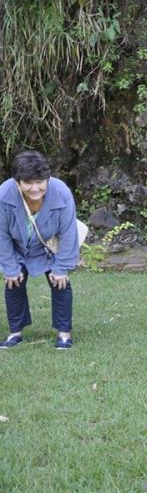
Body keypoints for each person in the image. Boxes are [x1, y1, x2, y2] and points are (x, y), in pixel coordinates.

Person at [0, 150, 80, 349]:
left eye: (40, 182)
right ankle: (15, 333)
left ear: (48, 178)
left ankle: (64, 334)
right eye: (28, 183)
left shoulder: (61, 192)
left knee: (61, 283)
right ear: (17, 182)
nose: (35, 188)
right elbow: (1, 235)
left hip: (48, 247)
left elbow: (69, 232)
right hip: (18, 247)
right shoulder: (4, 194)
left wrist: (62, 268)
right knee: (13, 283)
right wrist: (10, 267)